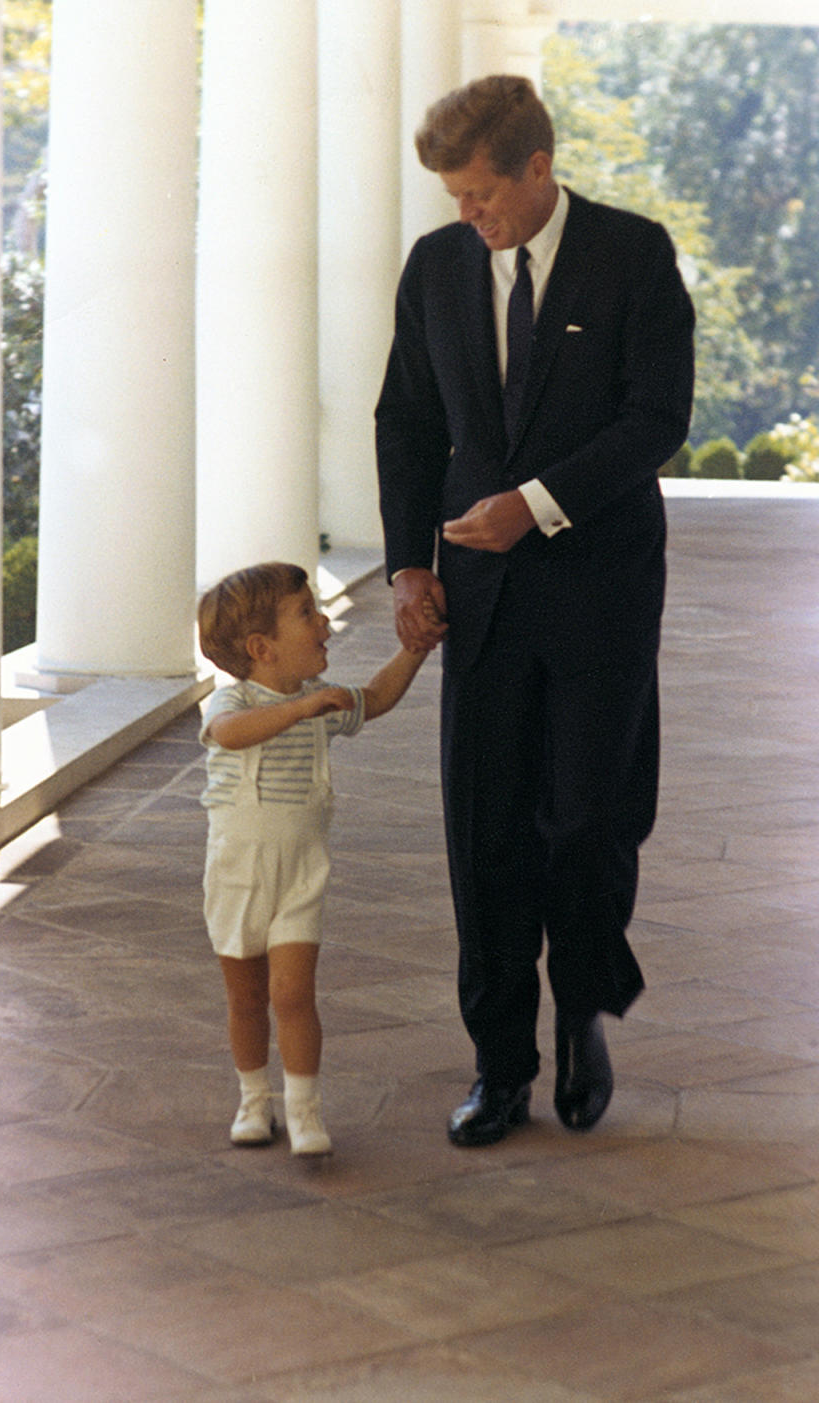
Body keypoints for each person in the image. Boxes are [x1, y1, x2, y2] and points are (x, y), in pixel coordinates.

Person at [375, 75, 695, 1146]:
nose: (470, 217)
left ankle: (585, 1015)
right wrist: (407, 568)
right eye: (456, 199)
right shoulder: (436, 266)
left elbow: (658, 418)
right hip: (481, 602)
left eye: (481, 195)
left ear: (537, 167)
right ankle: (500, 1065)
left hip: (601, 586)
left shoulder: (633, 254)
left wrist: (538, 506)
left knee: (592, 820)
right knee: (488, 829)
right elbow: (408, 423)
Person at [197, 562, 430, 1155]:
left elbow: (375, 698)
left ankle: (303, 1109)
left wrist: (415, 650)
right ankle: (254, 1100)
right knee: (246, 998)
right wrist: (301, 711)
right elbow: (228, 733)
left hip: (300, 875)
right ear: (262, 648)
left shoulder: (319, 702)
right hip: (237, 877)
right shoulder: (235, 700)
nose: (324, 622)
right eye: (307, 613)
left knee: (294, 995)